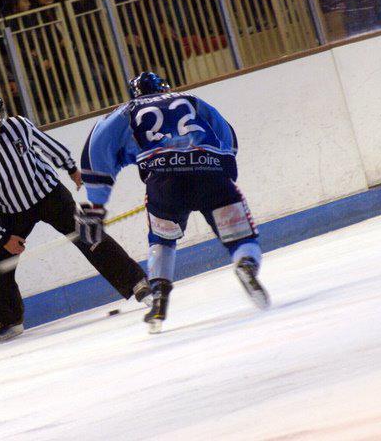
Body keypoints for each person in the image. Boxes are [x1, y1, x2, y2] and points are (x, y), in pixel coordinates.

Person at [0, 88, 151, 343]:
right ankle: (10, 320)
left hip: (50, 196)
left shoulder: (18, 126)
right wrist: (3, 237)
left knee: (90, 236)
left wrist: (71, 168)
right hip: (12, 213)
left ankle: (138, 284)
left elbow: (47, 145)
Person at [78, 72, 269, 333]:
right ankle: (246, 265)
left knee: (162, 241)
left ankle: (158, 300)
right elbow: (228, 137)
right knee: (241, 237)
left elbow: (97, 147)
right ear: (164, 88)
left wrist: (96, 205)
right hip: (210, 173)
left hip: (164, 184)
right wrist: (224, 172)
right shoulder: (190, 99)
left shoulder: (128, 111)